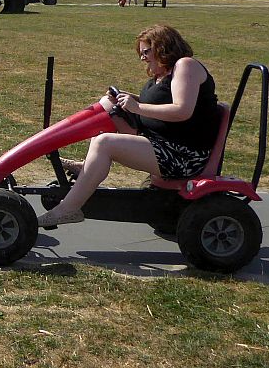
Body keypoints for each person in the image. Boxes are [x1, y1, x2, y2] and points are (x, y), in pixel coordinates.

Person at [39, 24, 220, 227]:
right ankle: (75, 158)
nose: (142, 57)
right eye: (140, 53)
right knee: (107, 105)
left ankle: (68, 209)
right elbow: (157, 104)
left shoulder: (185, 66)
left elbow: (182, 110)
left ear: (163, 47)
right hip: (162, 143)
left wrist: (138, 107)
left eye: (146, 51)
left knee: (104, 143)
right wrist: (128, 99)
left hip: (184, 155)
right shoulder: (164, 74)